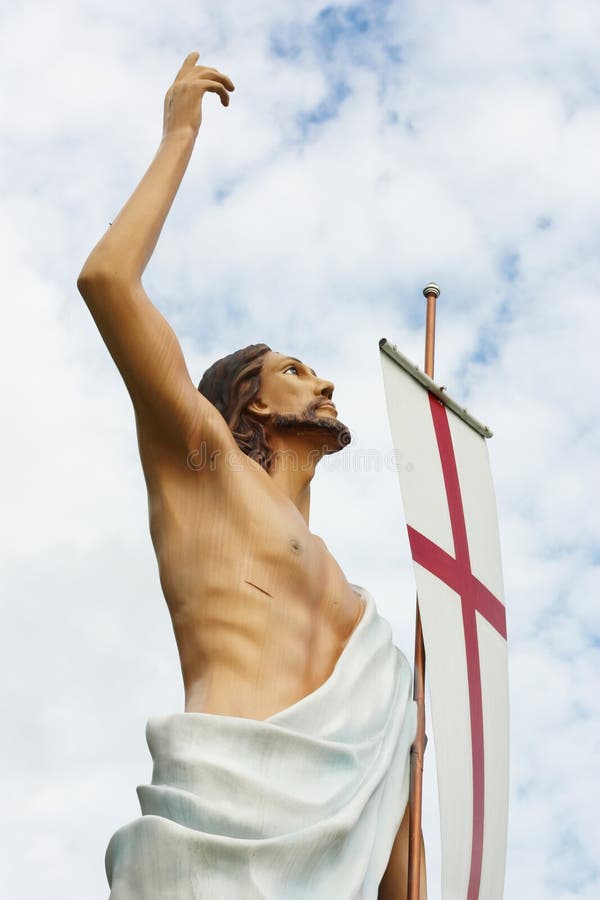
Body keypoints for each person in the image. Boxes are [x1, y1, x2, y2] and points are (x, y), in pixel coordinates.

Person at [78, 52, 426, 900]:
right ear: (251, 404)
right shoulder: (205, 471)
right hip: (216, 843)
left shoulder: (364, 619)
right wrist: (179, 135)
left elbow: (398, 844)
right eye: (298, 370)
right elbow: (107, 281)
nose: (327, 382)